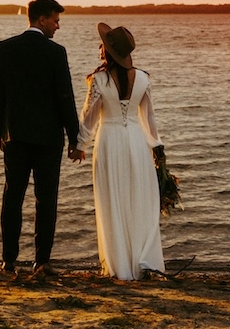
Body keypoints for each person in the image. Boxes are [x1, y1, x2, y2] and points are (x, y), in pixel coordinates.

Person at [0, 0, 84, 276]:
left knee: (13, 196)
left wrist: (1, 131)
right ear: (42, 19)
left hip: (15, 136)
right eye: (55, 20)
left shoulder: (5, 48)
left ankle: (9, 260)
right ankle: (41, 261)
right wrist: (74, 138)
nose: (58, 26)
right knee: (46, 200)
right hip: (47, 139)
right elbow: (64, 97)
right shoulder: (55, 53)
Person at [74, 23, 165, 280]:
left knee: (113, 199)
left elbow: (88, 117)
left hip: (109, 141)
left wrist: (80, 146)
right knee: (139, 201)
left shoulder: (99, 80)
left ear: (107, 51)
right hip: (136, 142)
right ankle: (144, 261)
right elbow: (149, 119)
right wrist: (156, 148)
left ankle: (120, 267)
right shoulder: (144, 79)